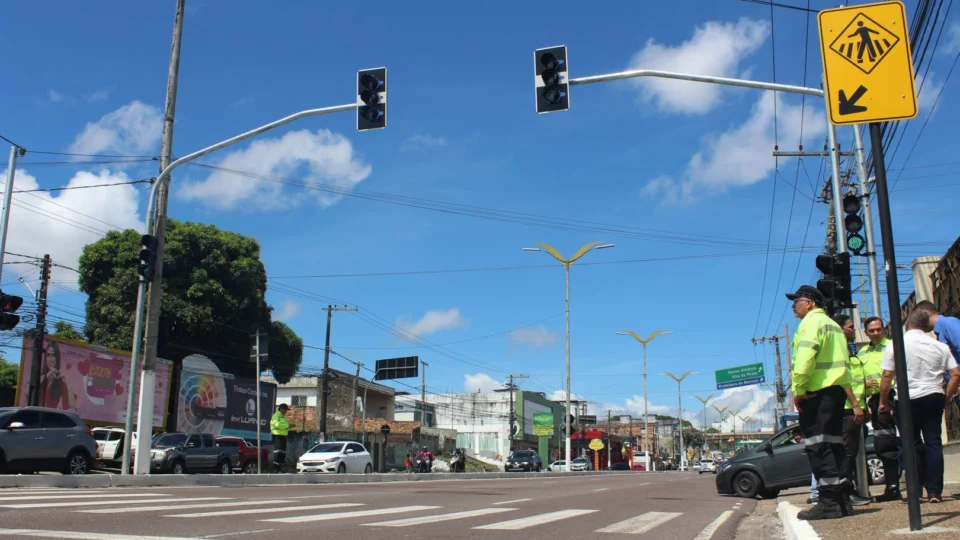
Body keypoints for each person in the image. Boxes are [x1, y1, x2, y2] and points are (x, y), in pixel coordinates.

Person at [786, 285, 863, 520]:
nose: (793, 306)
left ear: (810, 303)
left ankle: (829, 502)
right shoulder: (834, 326)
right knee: (836, 446)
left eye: (796, 301)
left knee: (818, 447)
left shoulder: (810, 323)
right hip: (836, 393)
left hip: (816, 394)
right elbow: (844, 364)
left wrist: (799, 391)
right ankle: (841, 502)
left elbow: (805, 359)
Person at [879, 307, 960, 504]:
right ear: (926, 327)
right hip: (933, 395)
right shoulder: (939, 346)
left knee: (911, 443)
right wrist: (946, 396)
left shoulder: (895, 345)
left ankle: (915, 490)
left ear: (907, 324)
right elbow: (956, 373)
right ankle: (934, 491)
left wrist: (883, 401)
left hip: (907, 398)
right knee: (933, 442)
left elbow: (887, 375)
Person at [859, 317, 901, 501]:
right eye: (871, 330)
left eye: (878, 329)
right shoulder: (862, 353)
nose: (875, 333)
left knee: (911, 440)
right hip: (876, 400)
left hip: (896, 396)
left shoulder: (893, 346)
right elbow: (857, 378)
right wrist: (864, 383)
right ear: (866, 332)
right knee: (884, 444)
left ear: (884, 329)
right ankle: (892, 487)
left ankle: (921, 486)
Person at [833, 314, 872, 507]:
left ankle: (850, 491)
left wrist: (863, 406)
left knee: (852, 452)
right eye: (850, 327)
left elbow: (856, 382)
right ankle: (846, 495)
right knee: (847, 454)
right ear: (840, 329)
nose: (853, 330)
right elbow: (843, 381)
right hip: (848, 410)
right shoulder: (839, 351)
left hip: (857, 409)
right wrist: (856, 406)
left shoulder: (849, 350)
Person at [270, 404, 290, 473]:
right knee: (278, 452)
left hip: (283, 436)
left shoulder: (283, 417)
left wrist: (289, 426)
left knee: (282, 452)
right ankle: (276, 468)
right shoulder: (276, 416)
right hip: (277, 436)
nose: (286, 411)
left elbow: (285, 426)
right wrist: (288, 425)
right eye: (285, 410)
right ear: (281, 409)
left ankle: (281, 467)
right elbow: (277, 425)